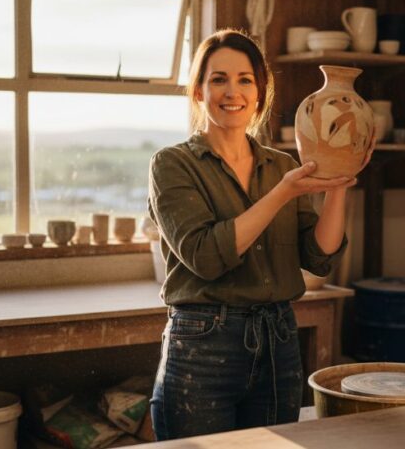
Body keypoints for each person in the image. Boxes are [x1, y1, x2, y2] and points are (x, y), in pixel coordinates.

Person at [147, 28, 373, 440]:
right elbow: (205, 257)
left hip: (278, 339)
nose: (232, 91)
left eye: (244, 79)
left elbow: (318, 256)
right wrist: (284, 190)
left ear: (260, 92)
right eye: (219, 79)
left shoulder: (281, 163)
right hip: (202, 345)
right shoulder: (173, 165)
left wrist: (340, 182)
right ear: (199, 91)